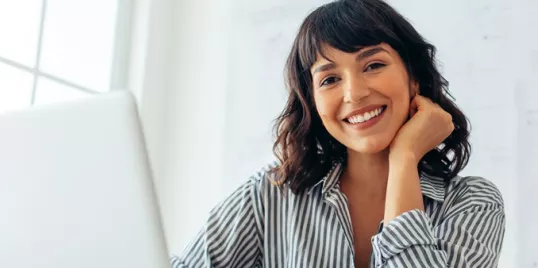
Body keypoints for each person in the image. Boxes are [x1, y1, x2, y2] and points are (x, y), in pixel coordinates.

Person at [170, 0, 505, 267]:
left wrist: (404, 159)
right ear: (312, 101)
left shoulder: (473, 203)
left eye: (373, 65)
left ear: (413, 77)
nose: (354, 94)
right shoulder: (269, 196)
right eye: (330, 79)